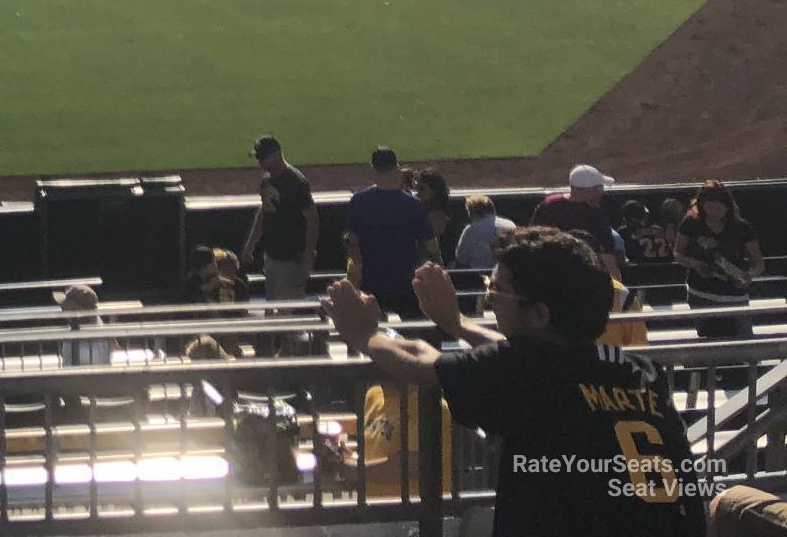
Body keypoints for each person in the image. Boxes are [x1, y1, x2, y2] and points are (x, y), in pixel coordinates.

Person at [324, 235, 700, 532]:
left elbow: (422, 365)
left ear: (539, 313)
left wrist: (363, 334)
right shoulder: (638, 370)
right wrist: (455, 322)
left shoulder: (523, 370)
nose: (489, 297)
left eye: (497, 289)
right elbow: (530, 359)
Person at [342, 146, 438, 318]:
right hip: (406, 284)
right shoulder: (413, 204)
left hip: (371, 283)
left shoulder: (359, 201)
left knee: (370, 338)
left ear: (373, 169)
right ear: (396, 168)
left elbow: (352, 243)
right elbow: (432, 248)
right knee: (415, 334)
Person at [675, 180, 764, 338]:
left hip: (735, 295)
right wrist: (695, 264)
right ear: (702, 205)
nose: (715, 210)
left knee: (743, 342)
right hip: (702, 294)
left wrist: (748, 276)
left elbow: (759, 264)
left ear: (727, 206)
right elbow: (678, 253)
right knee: (708, 342)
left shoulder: (741, 228)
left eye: (720, 206)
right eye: (710, 205)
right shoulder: (691, 224)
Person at [240, 134, 317, 301]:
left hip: (291, 258)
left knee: (287, 309)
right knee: (271, 304)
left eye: (263, 157)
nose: (259, 162)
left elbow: (312, 220)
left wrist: (308, 255)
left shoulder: (295, 181)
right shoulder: (267, 181)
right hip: (272, 255)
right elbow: (264, 213)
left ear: (276, 155)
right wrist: (250, 246)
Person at [533, 164, 624, 270]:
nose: (602, 192)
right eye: (599, 188)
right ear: (587, 190)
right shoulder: (595, 215)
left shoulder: (549, 204)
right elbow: (607, 257)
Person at [453, 194, 515, 271]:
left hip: (478, 277)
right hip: (508, 274)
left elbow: (461, 259)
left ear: (473, 213)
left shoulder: (472, 229)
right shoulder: (511, 224)